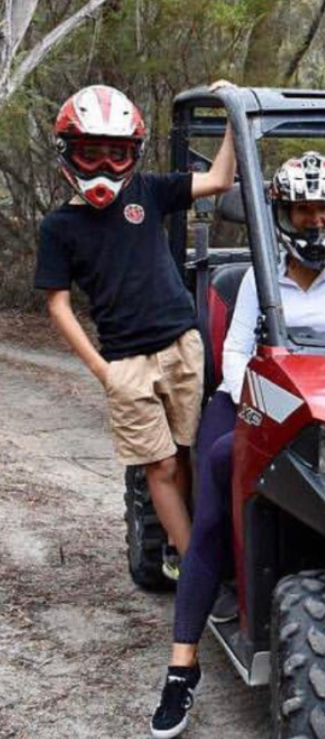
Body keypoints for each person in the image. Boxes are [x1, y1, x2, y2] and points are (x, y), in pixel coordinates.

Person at [150, 151, 325, 739]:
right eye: (303, 210)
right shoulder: (261, 270)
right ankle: (182, 667)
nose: (315, 222)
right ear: (282, 214)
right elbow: (233, 349)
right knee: (220, 468)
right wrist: (255, 398)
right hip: (254, 392)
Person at [34, 84, 235, 569]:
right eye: (92, 152)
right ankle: (194, 569)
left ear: (133, 154)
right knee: (159, 464)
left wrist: (232, 113)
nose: (104, 165)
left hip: (182, 345)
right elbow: (57, 304)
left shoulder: (147, 191)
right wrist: (103, 371)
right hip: (125, 361)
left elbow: (220, 180)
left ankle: (177, 541)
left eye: (117, 153)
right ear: (69, 153)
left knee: (187, 454)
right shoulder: (59, 227)